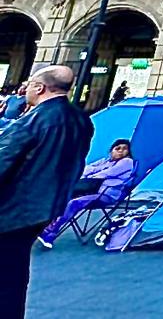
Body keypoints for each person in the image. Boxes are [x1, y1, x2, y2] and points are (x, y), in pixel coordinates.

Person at [0, 66, 93, 318]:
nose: (26, 88)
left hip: (12, 208)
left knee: (5, 273)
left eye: (30, 83)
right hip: (47, 205)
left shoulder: (34, 120)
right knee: (14, 273)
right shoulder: (81, 120)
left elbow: (4, 160)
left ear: (40, 87)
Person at [38, 139, 135, 248]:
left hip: (106, 195)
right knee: (60, 199)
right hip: (91, 193)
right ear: (111, 151)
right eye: (117, 148)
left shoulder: (127, 162)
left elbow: (108, 173)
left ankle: (50, 233)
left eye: (124, 149)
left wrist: (93, 173)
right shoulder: (105, 161)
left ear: (129, 152)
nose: (121, 151)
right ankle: (45, 229)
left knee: (74, 203)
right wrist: (96, 170)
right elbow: (85, 170)